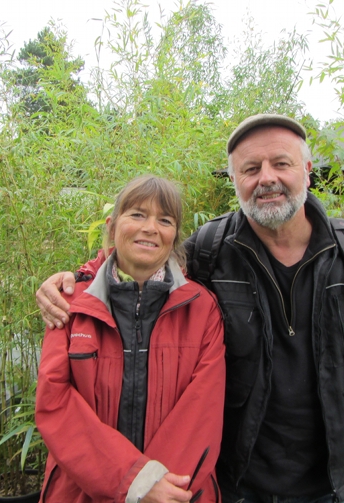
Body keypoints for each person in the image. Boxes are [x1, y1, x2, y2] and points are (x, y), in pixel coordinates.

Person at [36, 115, 344, 503]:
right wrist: (79, 280)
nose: (266, 178)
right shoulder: (212, 250)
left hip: (337, 486)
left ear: (307, 170)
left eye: (281, 163)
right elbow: (141, 265)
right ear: (234, 181)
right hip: (242, 485)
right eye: (250, 169)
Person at [35, 176, 226, 503]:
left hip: (177, 493)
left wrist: (157, 487)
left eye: (164, 220)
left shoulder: (201, 308)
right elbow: (54, 401)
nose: (150, 227)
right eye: (137, 214)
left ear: (174, 236)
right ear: (111, 226)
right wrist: (132, 480)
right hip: (82, 491)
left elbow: (203, 409)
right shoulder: (71, 304)